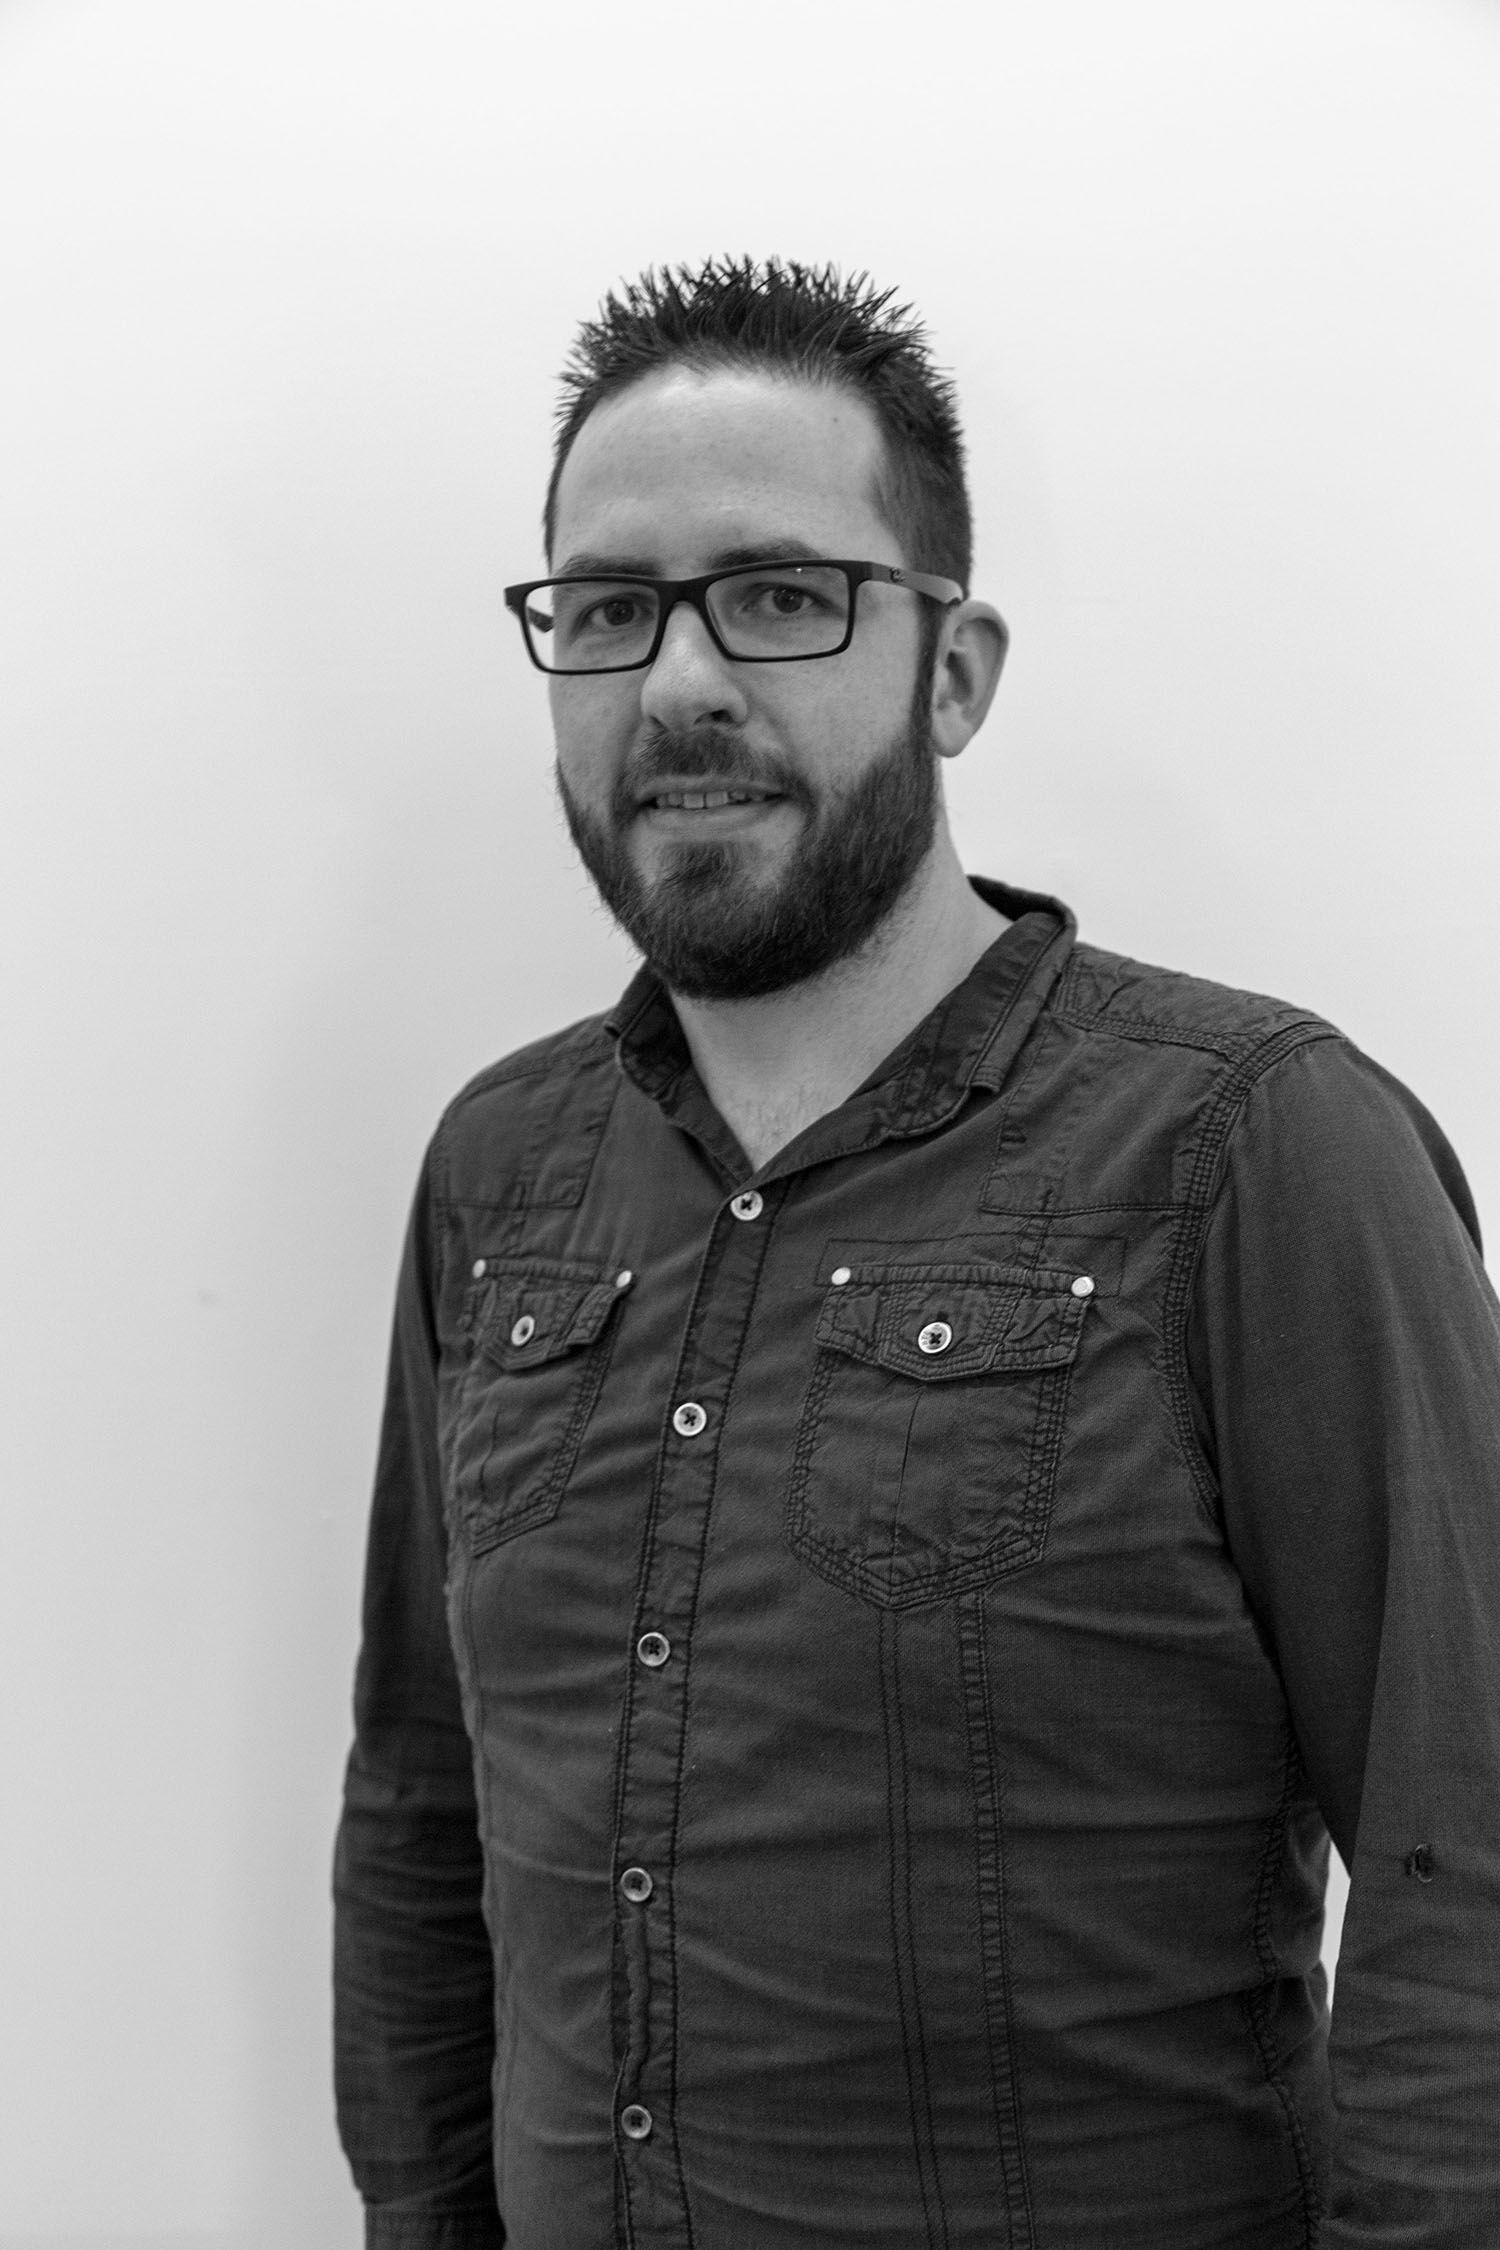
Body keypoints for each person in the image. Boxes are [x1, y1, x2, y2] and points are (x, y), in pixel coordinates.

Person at [333, 258, 1500, 2249]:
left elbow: (1461, 1854)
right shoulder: (498, 1173)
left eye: (779, 596)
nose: (679, 682)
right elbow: (421, 1812)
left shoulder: (1256, 1148)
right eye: (608, 611)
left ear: (953, 671)